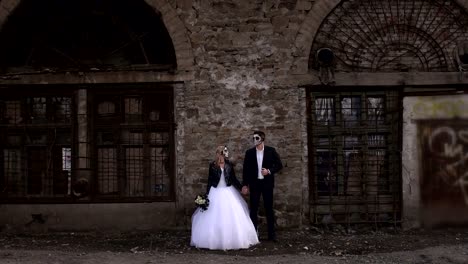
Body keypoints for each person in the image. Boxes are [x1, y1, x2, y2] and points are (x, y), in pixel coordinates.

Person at [190, 145, 259, 250]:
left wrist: (241, 188)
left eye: (226, 152)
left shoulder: (229, 165)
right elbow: (209, 181)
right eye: (223, 152)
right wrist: (207, 195)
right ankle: (213, 240)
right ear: (219, 153)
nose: (225, 154)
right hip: (215, 192)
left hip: (228, 191)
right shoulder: (212, 165)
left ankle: (232, 240)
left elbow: (234, 179)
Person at [242, 131, 283, 242]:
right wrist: (245, 185)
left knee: (269, 209)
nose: (254, 140)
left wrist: (269, 171)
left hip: (267, 184)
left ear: (262, 139)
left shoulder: (271, 151)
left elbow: (279, 165)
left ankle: (271, 235)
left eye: (257, 138)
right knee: (254, 209)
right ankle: (254, 234)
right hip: (255, 185)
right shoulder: (249, 153)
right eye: (253, 138)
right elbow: (246, 170)